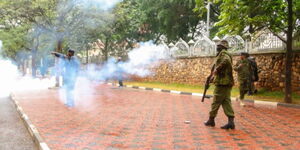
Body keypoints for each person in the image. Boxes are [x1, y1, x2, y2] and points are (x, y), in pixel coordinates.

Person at [204, 40, 235, 129]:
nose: (217, 47)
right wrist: (212, 76)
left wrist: (217, 70)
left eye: (219, 46)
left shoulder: (223, 54)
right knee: (226, 102)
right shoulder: (221, 54)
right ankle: (231, 122)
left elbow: (226, 61)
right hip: (225, 82)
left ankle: (211, 120)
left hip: (222, 82)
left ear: (223, 47)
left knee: (216, 101)